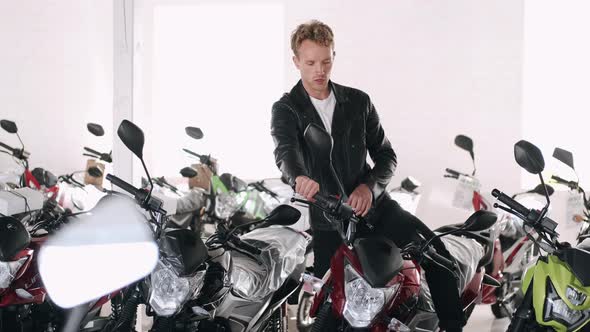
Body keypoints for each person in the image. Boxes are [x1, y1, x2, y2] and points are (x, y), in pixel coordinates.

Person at [270, 20, 465, 331]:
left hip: (378, 210)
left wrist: (369, 188)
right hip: (330, 220)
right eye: (310, 63)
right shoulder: (287, 109)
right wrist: (298, 178)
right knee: (332, 312)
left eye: (326, 60)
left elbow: (387, 156)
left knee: (441, 261)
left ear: (334, 56)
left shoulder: (358, 102)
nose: (319, 70)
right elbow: (285, 153)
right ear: (296, 62)